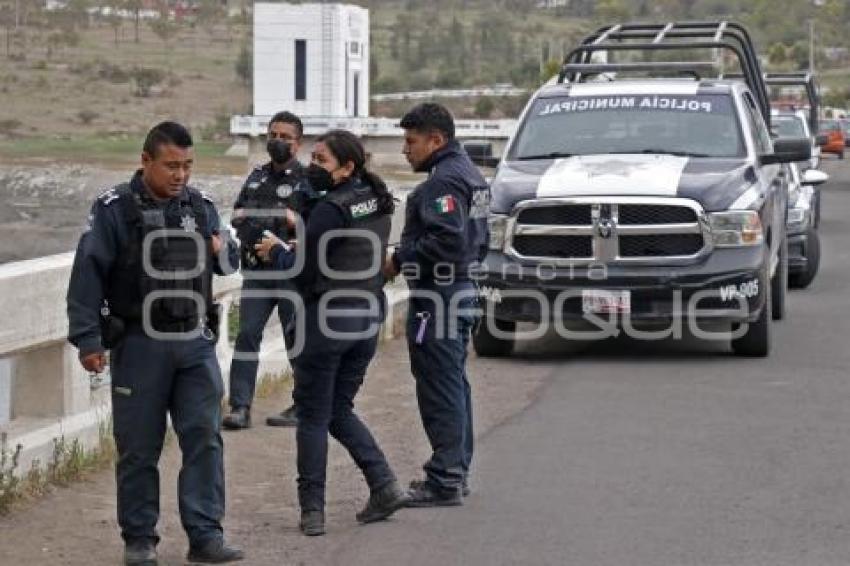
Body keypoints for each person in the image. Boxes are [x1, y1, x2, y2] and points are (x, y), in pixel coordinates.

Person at [66, 122, 244, 565]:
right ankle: (140, 539)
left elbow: (228, 263)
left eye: (186, 165)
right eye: (171, 166)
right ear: (145, 161)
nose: (180, 175)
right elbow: (87, 274)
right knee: (139, 448)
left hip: (194, 342)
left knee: (204, 439)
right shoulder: (114, 210)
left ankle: (205, 536)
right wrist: (88, 338)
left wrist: (223, 248)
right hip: (140, 345)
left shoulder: (201, 207)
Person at [255, 129, 407, 536]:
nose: (312, 166)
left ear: (347, 167)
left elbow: (303, 267)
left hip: (326, 323)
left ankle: (312, 510)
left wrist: (278, 250)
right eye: (312, 158)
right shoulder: (376, 198)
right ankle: (384, 484)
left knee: (313, 415)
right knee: (337, 409)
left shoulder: (331, 210)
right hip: (366, 320)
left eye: (321, 161)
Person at [383, 103, 490, 506]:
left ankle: (445, 479)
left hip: (439, 298)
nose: (405, 150)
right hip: (464, 288)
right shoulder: (472, 174)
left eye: (411, 142)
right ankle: (454, 471)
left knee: (438, 382)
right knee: (454, 382)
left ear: (436, 140)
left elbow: (447, 241)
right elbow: (478, 239)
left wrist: (398, 260)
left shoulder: (442, 183)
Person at [223, 111, 321, 430]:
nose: (277, 142)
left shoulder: (309, 182)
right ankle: (240, 406)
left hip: (292, 274)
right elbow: (238, 216)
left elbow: (315, 226)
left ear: (298, 143)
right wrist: (274, 223)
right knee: (247, 336)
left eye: (285, 137)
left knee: (297, 338)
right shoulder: (256, 177)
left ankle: (304, 403)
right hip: (257, 274)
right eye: (273, 135)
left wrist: (279, 224)